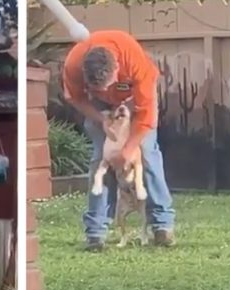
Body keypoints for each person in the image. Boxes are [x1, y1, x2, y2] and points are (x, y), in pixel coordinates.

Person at [62, 29, 176, 251]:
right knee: (100, 158)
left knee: (147, 153)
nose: (105, 90)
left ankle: (162, 225)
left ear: (117, 68)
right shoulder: (73, 64)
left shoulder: (132, 58)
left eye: (107, 84)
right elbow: (74, 98)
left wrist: (129, 149)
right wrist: (99, 119)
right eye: (98, 88)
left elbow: (147, 116)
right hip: (98, 107)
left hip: (133, 100)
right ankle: (95, 232)